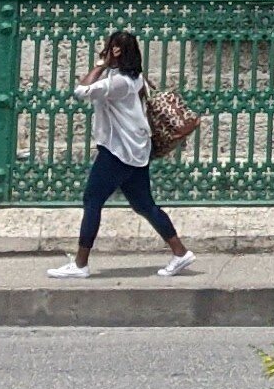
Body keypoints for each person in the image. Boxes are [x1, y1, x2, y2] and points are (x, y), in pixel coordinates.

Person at [47, 30, 195, 278]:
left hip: (118, 151)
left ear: (116, 51)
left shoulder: (119, 83)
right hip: (136, 150)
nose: (105, 51)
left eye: (109, 47)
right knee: (144, 205)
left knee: (92, 200)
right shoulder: (135, 78)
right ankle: (180, 253)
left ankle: (80, 264)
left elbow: (81, 91)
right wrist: (109, 65)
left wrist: (100, 65)